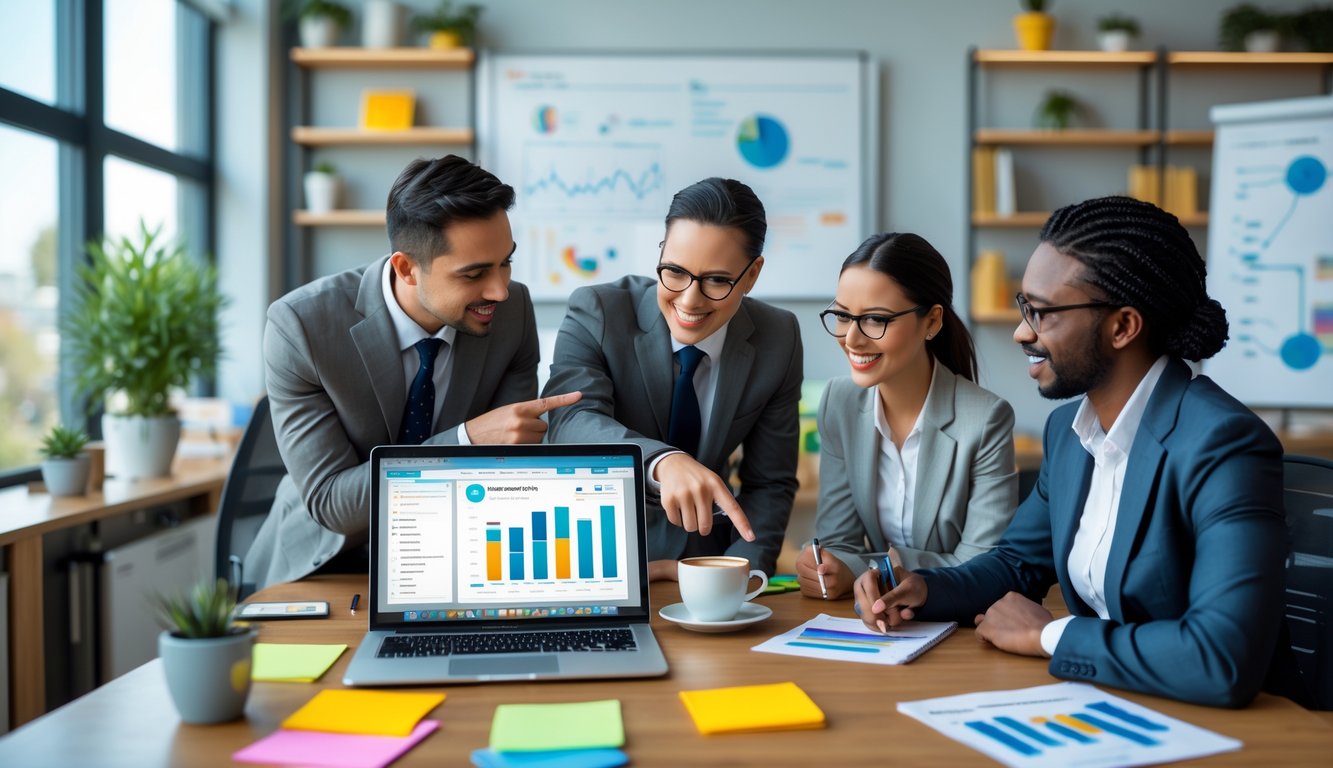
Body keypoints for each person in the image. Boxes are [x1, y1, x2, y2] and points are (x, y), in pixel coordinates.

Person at [857, 196, 1292, 708]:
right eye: (1025, 308)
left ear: (1123, 326)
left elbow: (1221, 657)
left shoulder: (1224, 443)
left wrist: (1051, 636)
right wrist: (923, 590)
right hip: (1107, 701)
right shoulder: (1070, 431)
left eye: (1041, 313)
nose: (1022, 332)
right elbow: (1017, 564)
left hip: (1223, 728)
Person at [246, 155, 580, 588]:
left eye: (506, 263)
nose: (500, 289)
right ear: (406, 267)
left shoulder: (512, 311)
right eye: (474, 273)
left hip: (458, 560)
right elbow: (333, 503)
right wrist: (466, 440)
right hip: (330, 564)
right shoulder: (301, 326)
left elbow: (507, 471)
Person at [543, 177, 803, 579]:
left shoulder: (778, 337)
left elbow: (770, 483)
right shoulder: (598, 311)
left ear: (751, 276)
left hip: (707, 562)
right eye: (675, 271)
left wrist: (739, 575)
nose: (689, 300)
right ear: (661, 252)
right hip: (596, 559)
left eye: (717, 280)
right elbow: (571, 424)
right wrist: (664, 461)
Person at [795, 233, 1018, 600]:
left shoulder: (986, 419)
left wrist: (870, 569)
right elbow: (839, 542)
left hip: (959, 621)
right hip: (876, 622)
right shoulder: (840, 402)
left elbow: (983, 565)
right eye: (842, 316)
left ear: (931, 321)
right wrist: (830, 567)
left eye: (875, 320)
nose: (852, 338)